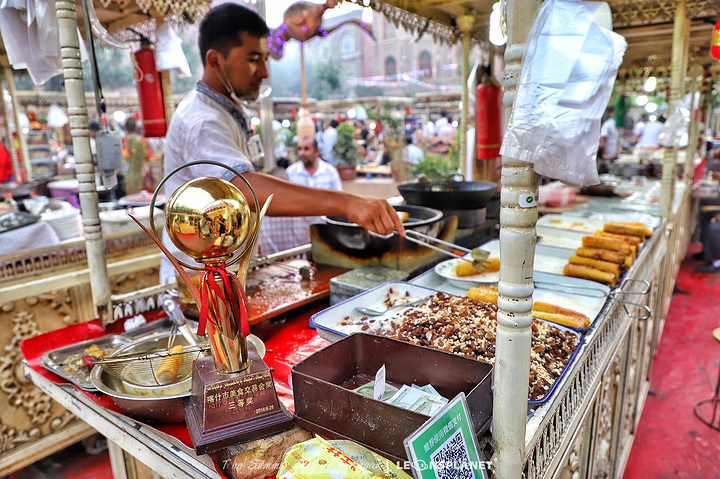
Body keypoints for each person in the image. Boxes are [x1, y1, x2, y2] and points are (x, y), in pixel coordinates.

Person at [160, 4, 403, 284]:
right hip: (198, 285)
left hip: (225, 275)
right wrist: (347, 203)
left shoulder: (224, 111)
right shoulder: (202, 120)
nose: (263, 71)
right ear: (215, 61)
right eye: (253, 59)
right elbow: (243, 189)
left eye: (264, 59)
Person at [258, 136, 342, 254]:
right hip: (298, 239)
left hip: (325, 233)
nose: (302, 153)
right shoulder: (291, 172)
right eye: (300, 149)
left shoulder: (330, 172)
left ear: (316, 151)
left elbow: (338, 202)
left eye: (306, 149)